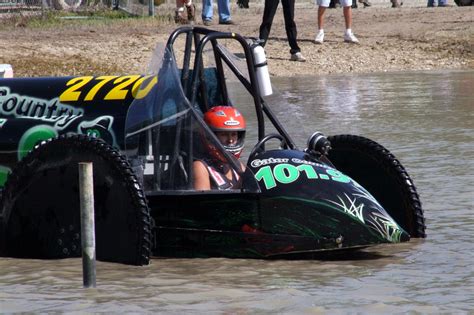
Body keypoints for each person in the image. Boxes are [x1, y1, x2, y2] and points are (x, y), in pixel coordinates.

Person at [193, 106, 246, 190]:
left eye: (234, 134)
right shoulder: (201, 167)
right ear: (210, 137)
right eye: (224, 134)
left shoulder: (237, 165)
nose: (230, 140)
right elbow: (201, 201)